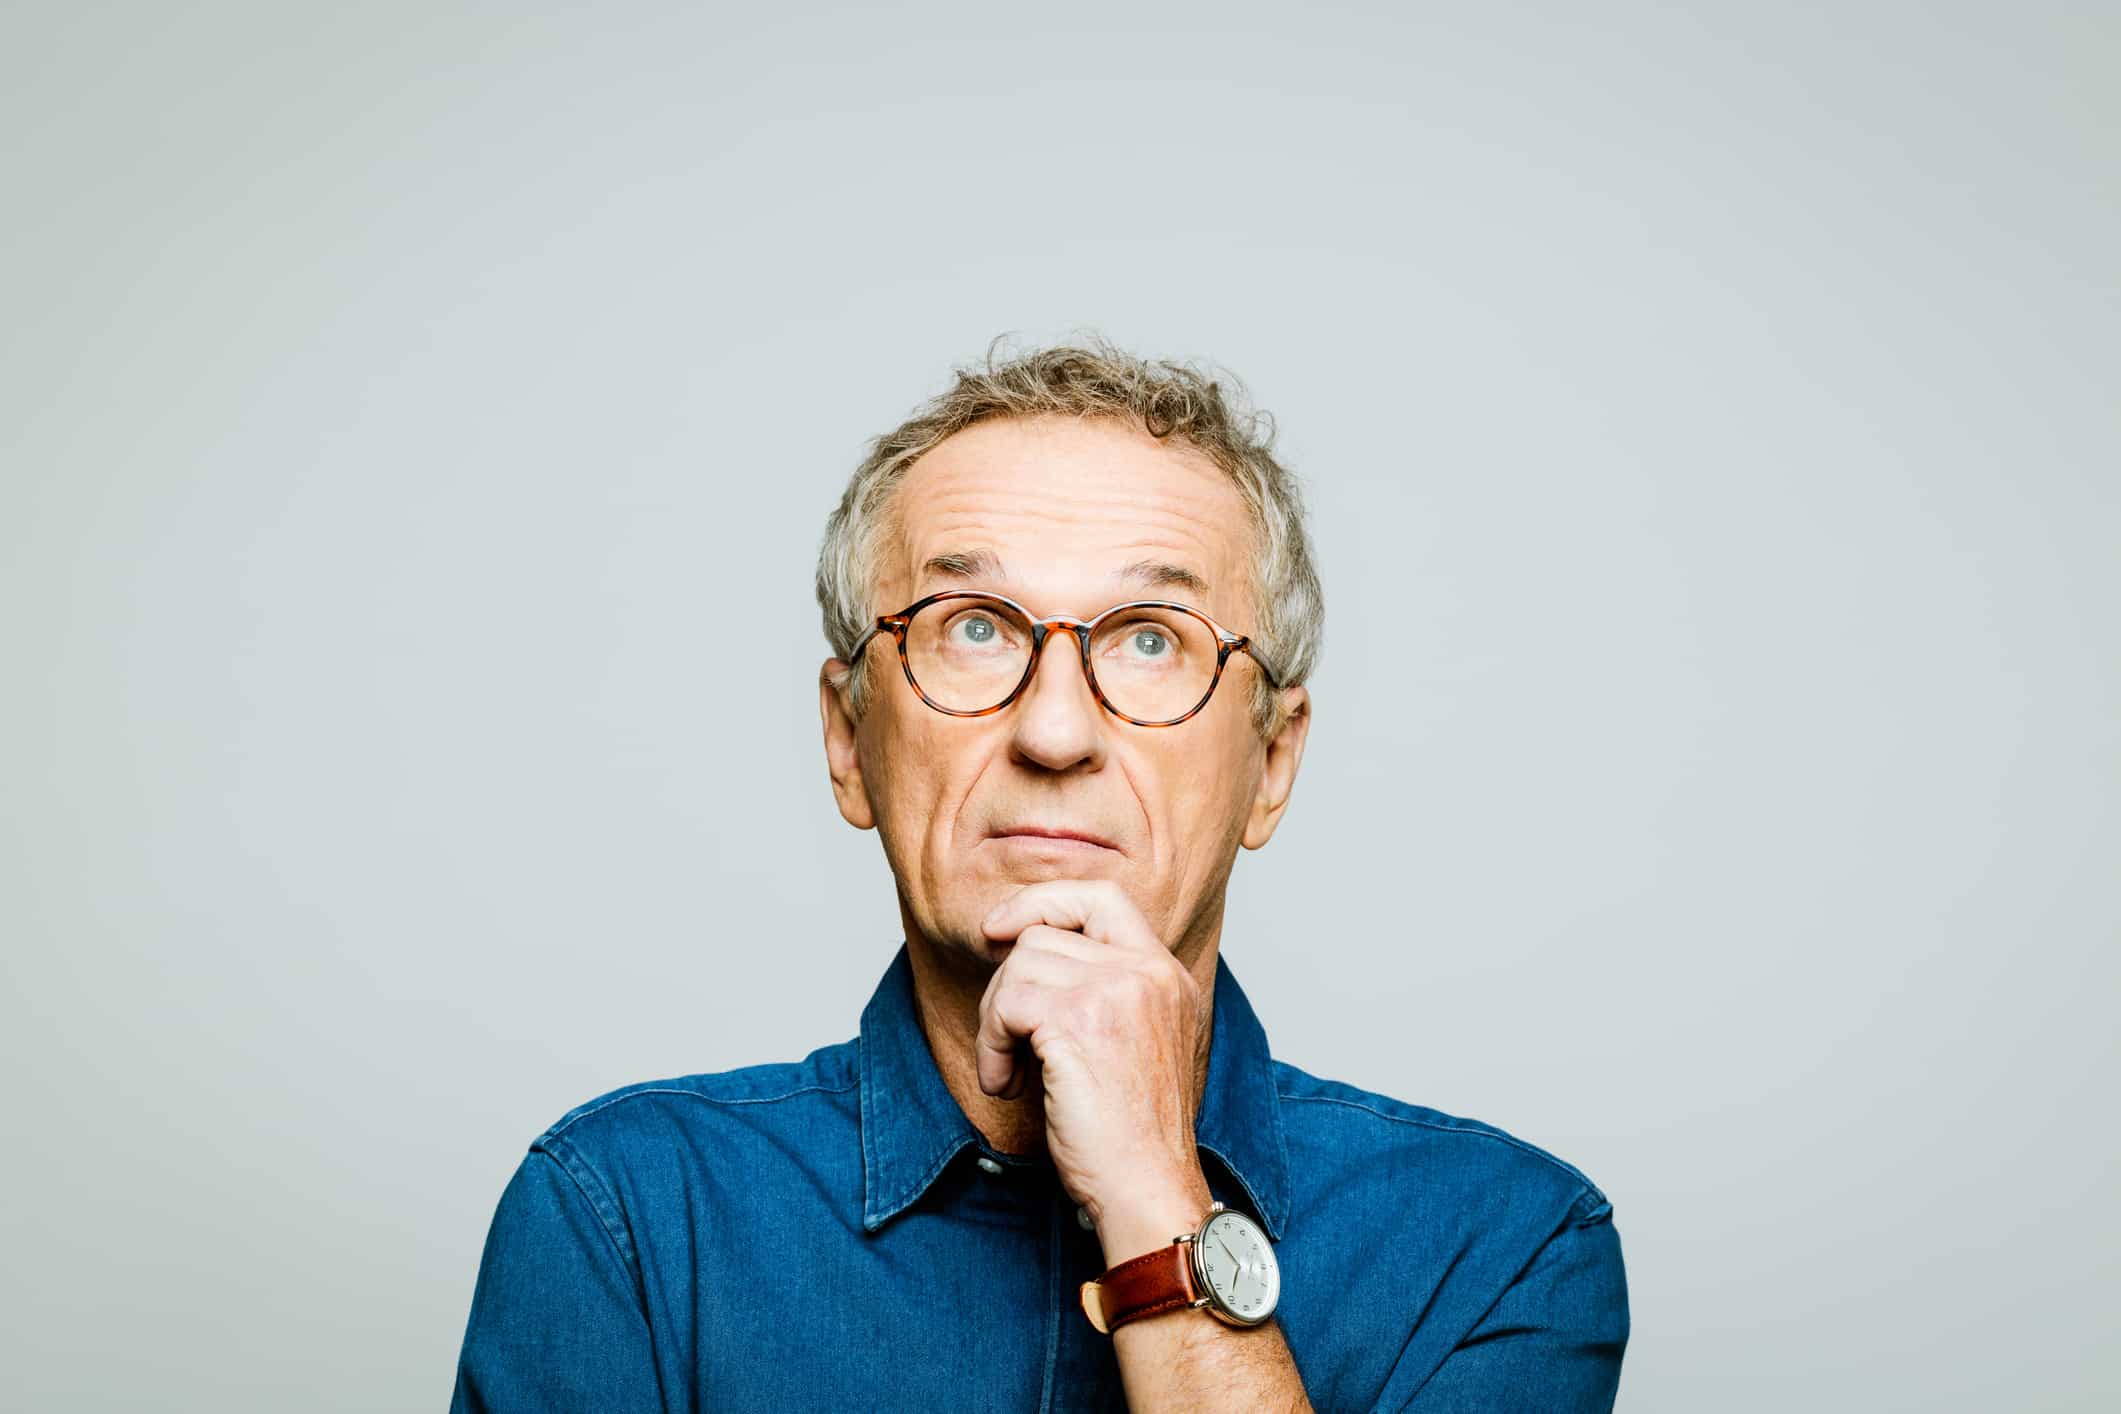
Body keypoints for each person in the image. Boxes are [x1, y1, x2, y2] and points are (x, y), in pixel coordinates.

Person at [449, 338, 1630, 1411]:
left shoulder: (1506, 1245)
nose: (1055, 731)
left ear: (1271, 765)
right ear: (848, 741)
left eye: (1151, 639)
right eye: (972, 626)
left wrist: (1156, 1195)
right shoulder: (629, 1216)